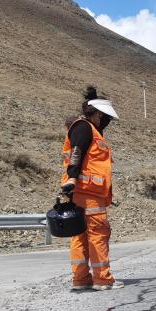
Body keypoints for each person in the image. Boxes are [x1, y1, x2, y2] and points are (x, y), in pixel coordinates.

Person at [61, 86, 124, 291]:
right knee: (98, 233)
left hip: (84, 191)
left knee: (80, 235)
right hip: (88, 193)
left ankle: (80, 280)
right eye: (105, 117)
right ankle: (103, 280)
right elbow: (77, 152)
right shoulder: (85, 127)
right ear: (97, 113)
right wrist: (71, 177)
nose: (106, 122)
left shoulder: (88, 129)